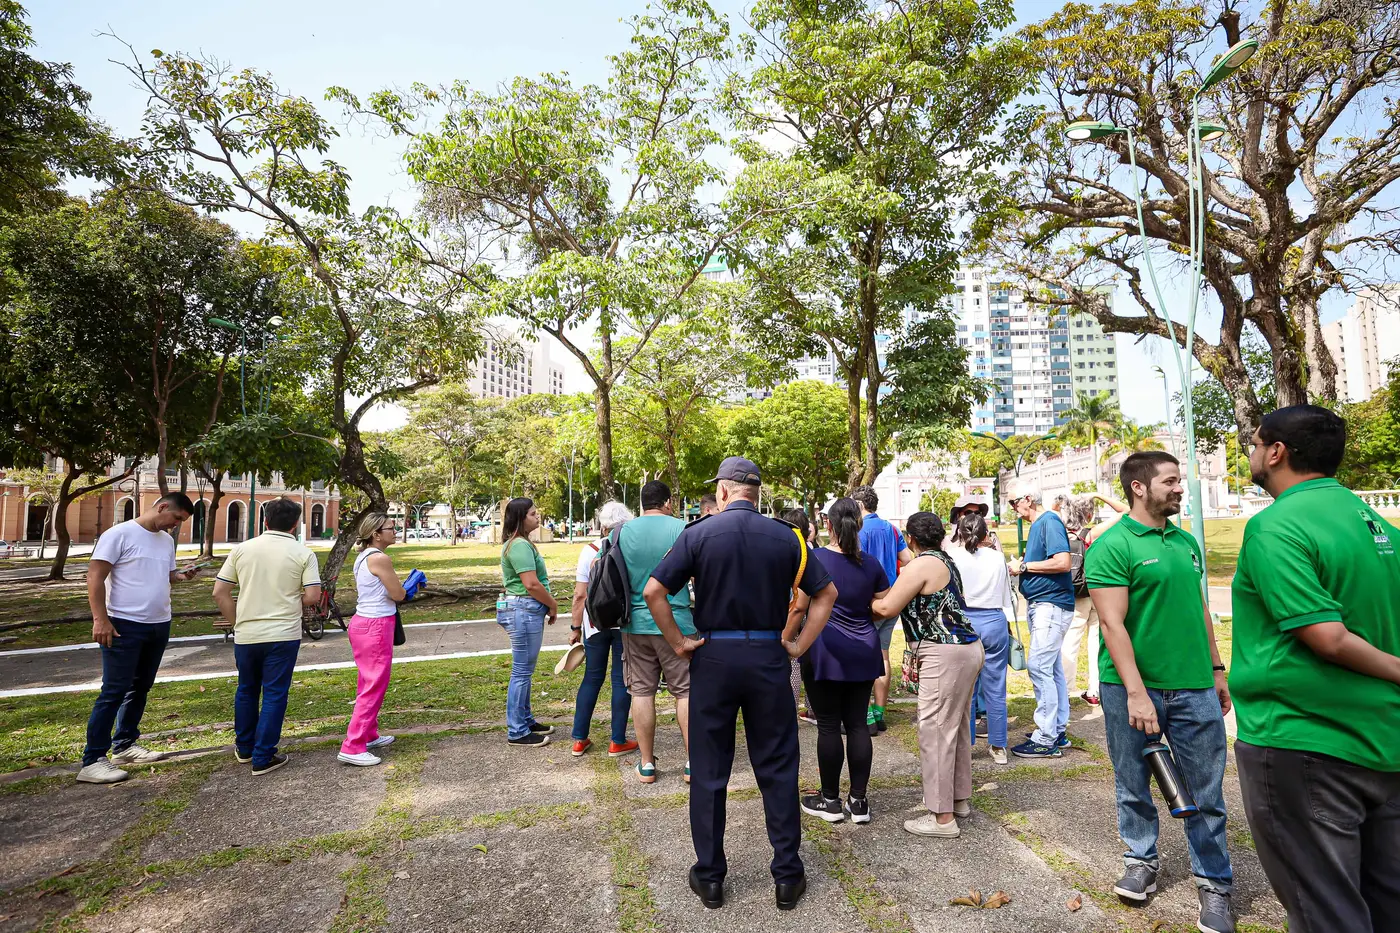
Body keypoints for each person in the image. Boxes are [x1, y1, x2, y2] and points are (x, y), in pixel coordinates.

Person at [1231, 405, 1400, 933]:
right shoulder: (1376, 523)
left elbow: (1327, 637)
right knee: (1387, 902)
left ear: (1276, 452)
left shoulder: (1274, 527)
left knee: (1324, 910)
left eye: (1256, 444)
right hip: (1383, 739)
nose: (1253, 453)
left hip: (1304, 739)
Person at [645, 457, 837, 911]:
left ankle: (710, 877)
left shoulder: (697, 534)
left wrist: (679, 642)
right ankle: (787, 875)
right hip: (767, 656)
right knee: (777, 765)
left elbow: (654, 591)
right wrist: (797, 644)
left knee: (709, 770)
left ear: (723, 491)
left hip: (715, 657)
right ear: (757, 492)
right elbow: (826, 593)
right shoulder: (788, 537)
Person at [1085, 452, 1235, 933]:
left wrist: (1217, 669)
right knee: (1133, 782)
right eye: (1170, 481)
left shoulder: (1186, 542)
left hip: (1194, 685)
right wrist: (1136, 693)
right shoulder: (1112, 546)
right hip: (1131, 688)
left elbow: (1199, 609)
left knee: (1206, 791)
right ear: (1138, 487)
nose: (1179, 488)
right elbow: (1112, 624)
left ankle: (1214, 884)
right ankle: (1140, 860)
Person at [871, 512, 983, 838]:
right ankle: (958, 800)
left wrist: (853, 598)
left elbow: (886, 607)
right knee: (955, 729)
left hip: (944, 652)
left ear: (910, 539)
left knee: (933, 731)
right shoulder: (945, 560)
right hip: (966, 649)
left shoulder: (921, 565)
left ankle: (941, 817)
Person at [78, 493, 199, 784]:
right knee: (113, 691)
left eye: (181, 522)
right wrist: (100, 619)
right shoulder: (118, 534)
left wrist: (182, 576)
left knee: (140, 687)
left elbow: (166, 575)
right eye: (176, 518)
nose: (176, 525)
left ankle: (124, 745)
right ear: (162, 507)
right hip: (123, 625)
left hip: (158, 624)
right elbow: (95, 577)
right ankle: (93, 759)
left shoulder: (166, 541)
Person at [212, 497, 322, 776]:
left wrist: (237, 623)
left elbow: (220, 592)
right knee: (274, 693)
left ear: (265, 520)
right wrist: (289, 600)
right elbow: (312, 596)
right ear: (295, 524)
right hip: (283, 634)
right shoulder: (303, 553)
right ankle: (263, 755)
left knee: (246, 689)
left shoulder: (242, 550)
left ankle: (245, 748)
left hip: (247, 634)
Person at [798, 498, 888, 824]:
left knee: (828, 725)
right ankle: (859, 802)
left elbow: (799, 605)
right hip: (864, 648)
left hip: (824, 649)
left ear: (828, 524)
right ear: (858, 524)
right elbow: (883, 606)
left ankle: (830, 800)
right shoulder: (872, 564)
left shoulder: (815, 560)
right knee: (857, 724)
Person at [620, 481, 694, 783]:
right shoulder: (683, 529)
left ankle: (647, 763)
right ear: (667, 502)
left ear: (642, 503)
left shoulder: (621, 531)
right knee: (686, 691)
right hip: (677, 622)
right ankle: (693, 762)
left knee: (641, 691)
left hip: (636, 623)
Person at [1006, 480, 1075, 759]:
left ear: (1027, 499)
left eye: (1013, 502)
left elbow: (1063, 562)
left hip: (1051, 604)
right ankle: (1056, 729)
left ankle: (1046, 738)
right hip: (1044, 604)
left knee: (1039, 666)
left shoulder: (1049, 521)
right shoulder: (1040, 524)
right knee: (1051, 668)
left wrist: (1023, 566)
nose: (1012, 508)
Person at [569, 501, 638, 758]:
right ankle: (617, 740)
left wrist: (575, 627)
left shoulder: (589, 550)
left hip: (594, 622)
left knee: (592, 677)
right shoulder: (631, 548)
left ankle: (579, 738)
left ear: (603, 524)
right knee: (621, 680)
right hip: (623, 621)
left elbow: (580, 595)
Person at [339, 511, 406, 766]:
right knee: (374, 684)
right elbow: (398, 594)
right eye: (391, 528)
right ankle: (353, 745)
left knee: (367, 682)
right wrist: (409, 587)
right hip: (375, 625)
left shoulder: (364, 556)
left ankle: (368, 734)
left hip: (364, 623)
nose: (395, 532)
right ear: (376, 534)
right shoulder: (380, 558)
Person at [946, 512, 1014, 765]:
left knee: (965, 688)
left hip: (965, 620)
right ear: (986, 533)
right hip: (994, 619)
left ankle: (966, 743)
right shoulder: (997, 557)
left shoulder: (953, 556)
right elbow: (1006, 596)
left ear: (959, 532)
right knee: (996, 687)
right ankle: (998, 745)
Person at [850, 485, 914, 736]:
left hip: (868, 602)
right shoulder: (892, 528)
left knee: (860, 657)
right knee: (883, 656)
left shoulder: (858, 530)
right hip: (892, 600)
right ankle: (879, 712)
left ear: (859, 505)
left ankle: (865, 715)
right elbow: (907, 559)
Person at [497, 497, 558, 747]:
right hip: (522, 610)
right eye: (533, 513)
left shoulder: (522, 543)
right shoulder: (519, 545)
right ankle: (517, 730)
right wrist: (552, 604)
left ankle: (525, 719)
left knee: (525, 670)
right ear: (521, 518)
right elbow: (531, 584)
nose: (538, 516)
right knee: (521, 671)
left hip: (525, 610)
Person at [779, 507, 818, 725]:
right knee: (810, 661)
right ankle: (813, 708)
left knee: (793, 662)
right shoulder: (811, 551)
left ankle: (790, 709)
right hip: (812, 616)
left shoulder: (787, 551)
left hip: (793, 610)